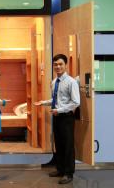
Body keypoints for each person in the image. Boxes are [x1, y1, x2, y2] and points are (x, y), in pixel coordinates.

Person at [34, 54, 80, 184]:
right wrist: (43, 102)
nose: (58, 66)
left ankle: (68, 173)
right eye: (56, 64)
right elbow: (56, 100)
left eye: (60, 64)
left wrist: (59, 110)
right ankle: (60, 169)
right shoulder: (54, 82)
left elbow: (76, 102)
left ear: (66, 65)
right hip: (56, 117)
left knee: (68, 146)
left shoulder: (71, 82)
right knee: (58, 144)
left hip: (66, 118)